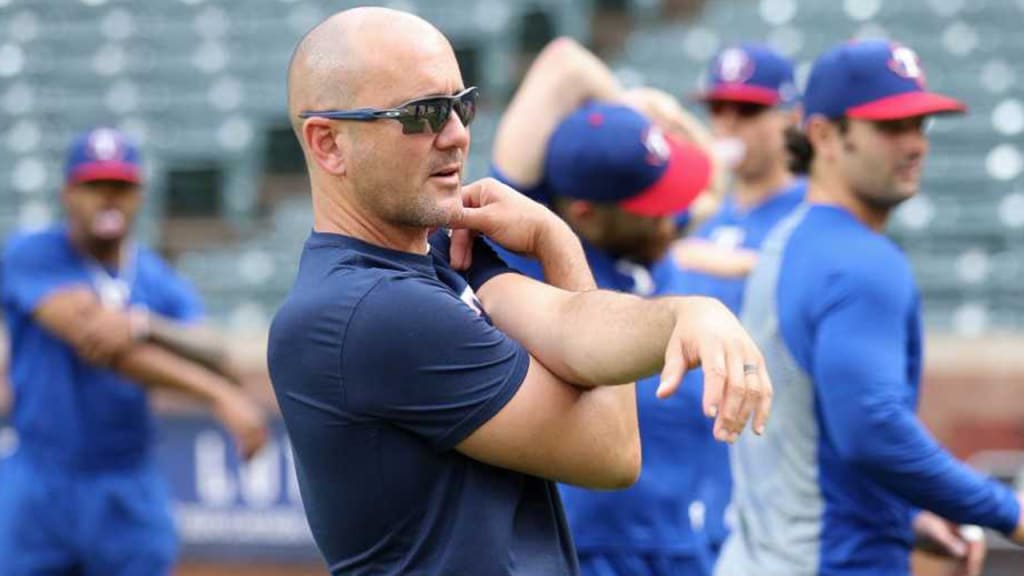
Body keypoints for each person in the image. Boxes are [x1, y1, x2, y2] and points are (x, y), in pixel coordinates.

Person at [268, 8, 772, 576]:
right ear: (328, 143)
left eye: (462, 105)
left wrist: (680, 308)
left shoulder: (440, 256)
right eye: (424, 114)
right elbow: (612, 450)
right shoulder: (369, 310)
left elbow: (574, 331)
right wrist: (567, 249)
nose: (457, 134)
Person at [715, 39, 1024, 576]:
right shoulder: (860, 261)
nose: (914, 144)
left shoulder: (784, 241)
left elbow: (815, 434)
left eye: (918, 124)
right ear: (823, 135)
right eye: (888, 126)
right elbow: (871, 430)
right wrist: (1009, 512)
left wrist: (902, 516)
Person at [489, 37, 725, 576]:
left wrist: (637, 124)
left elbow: (711, 178)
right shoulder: (529, 259)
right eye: (652, 209)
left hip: (686, 549)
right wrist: (627, 112)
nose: (672, 219)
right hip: (587, 554)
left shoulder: (648, 235)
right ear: (585, 213)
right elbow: (564, 61)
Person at [0, 127, 268, 575]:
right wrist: (218, 395)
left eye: (120, 187)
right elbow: (96, 341)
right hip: (41, 477)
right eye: (94, 186)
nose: (108, 199)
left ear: (139, 196)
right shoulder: (33, 253)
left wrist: (144, 324)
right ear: (68, 194)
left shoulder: (154, 278)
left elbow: (213, 349)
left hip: (127, 481)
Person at [665, 43, 806, 567]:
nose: (727, 124)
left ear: (790, 118)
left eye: (748, 111)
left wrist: (719, 259)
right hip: (687, 461)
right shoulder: (694, 212)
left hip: (765, 458)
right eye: (718, 109)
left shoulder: (810, 211)